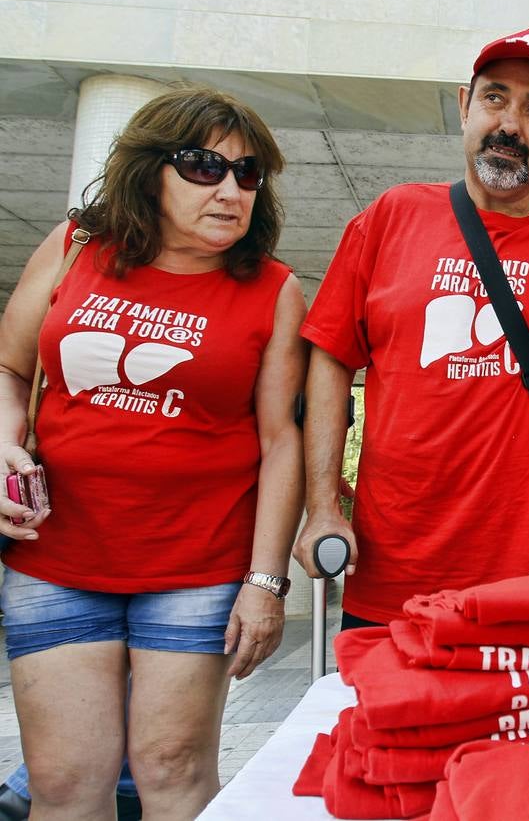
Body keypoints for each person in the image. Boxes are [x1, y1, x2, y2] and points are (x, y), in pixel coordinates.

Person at [293, 27, 529, 627]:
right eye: (495, 98)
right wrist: (320, 507)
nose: (511, 124)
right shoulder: (389, 218)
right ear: (465, 105)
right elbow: (330, 361)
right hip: (397, 578)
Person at [0, 86, 307, 819]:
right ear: (150, 169)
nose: (230, 189)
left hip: (194, 569)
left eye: (247, 173)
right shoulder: (77, 246)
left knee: (172, 772)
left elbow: (281, 441)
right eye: (204, 166)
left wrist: (265, 583)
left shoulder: (273, 288)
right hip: (57, 558)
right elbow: (10, 368)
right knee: (66, 782)